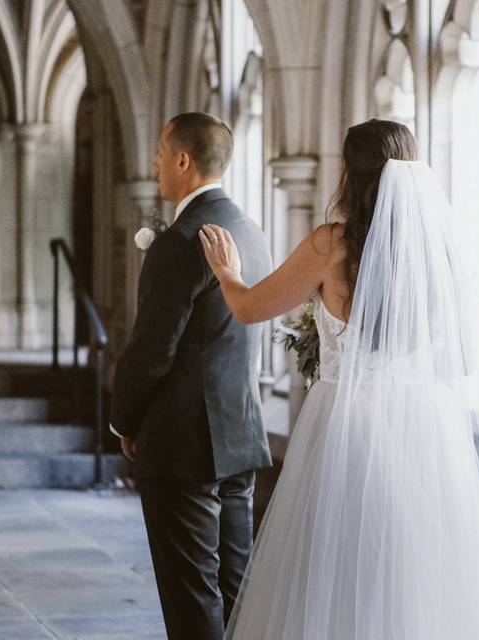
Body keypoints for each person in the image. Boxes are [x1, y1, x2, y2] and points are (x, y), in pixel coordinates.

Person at [199, 118, 479, 639]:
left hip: (346, 428)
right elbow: (464, 361)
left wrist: (227, 272)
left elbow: (248, 308)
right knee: (419, 573)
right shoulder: (437, 254)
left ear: (349, 175)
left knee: (335, 570)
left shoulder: (330, 246)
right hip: (426, 433)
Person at [109, 112, 273, 639]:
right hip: (239, 435)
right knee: (234, 590)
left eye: (161, 151)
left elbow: (152, 352)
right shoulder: (251, 233)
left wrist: (123, 421)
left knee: (192, 600)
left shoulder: (181, 242)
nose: (155, 162)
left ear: (184, 159)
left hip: (183, 446)